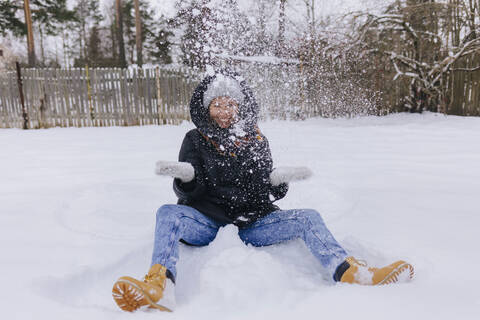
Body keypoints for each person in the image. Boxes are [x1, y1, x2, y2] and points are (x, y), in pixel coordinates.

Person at [112, 70, 414, 312]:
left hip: (252, 224)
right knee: (168, 213)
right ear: (206, 107)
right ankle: (159, 285)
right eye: (217, 104)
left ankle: (350, 272)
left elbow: (261, 193)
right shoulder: (194, 138)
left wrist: (275, 183)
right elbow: (191, 194)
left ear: (240, 107)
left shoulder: (256, 140)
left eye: (230, 104)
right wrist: (188, 178)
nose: (224, 110)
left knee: (309, 217)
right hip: (207, 222)